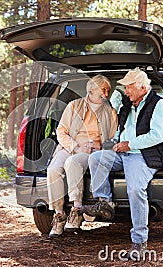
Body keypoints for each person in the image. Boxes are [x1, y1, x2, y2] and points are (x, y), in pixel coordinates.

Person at [82, 68, 163, 259]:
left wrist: (129, 144)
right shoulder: (127, 105)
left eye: (129, 87)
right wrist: (114, 142)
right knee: (97, 158)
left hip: (142, 155)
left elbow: (157, 135)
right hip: (123, 153)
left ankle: (139, 241)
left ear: (141, 87)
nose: (126, 91)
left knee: (135, 190)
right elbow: (119, 127)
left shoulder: (159, 105)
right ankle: (104, 202)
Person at [47, 74, 118, 238]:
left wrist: (99, 146)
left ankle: (76, 209)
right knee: (52, 170)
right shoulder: (73, 106)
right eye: (103, 90)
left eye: (108, 91)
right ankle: (58, 214)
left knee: (73, 163)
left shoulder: (110, 112)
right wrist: (75, 146)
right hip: (69, 146)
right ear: (92, 90)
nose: (106, 94)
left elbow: (114, 138)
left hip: (92, 152)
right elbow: (61, 132)